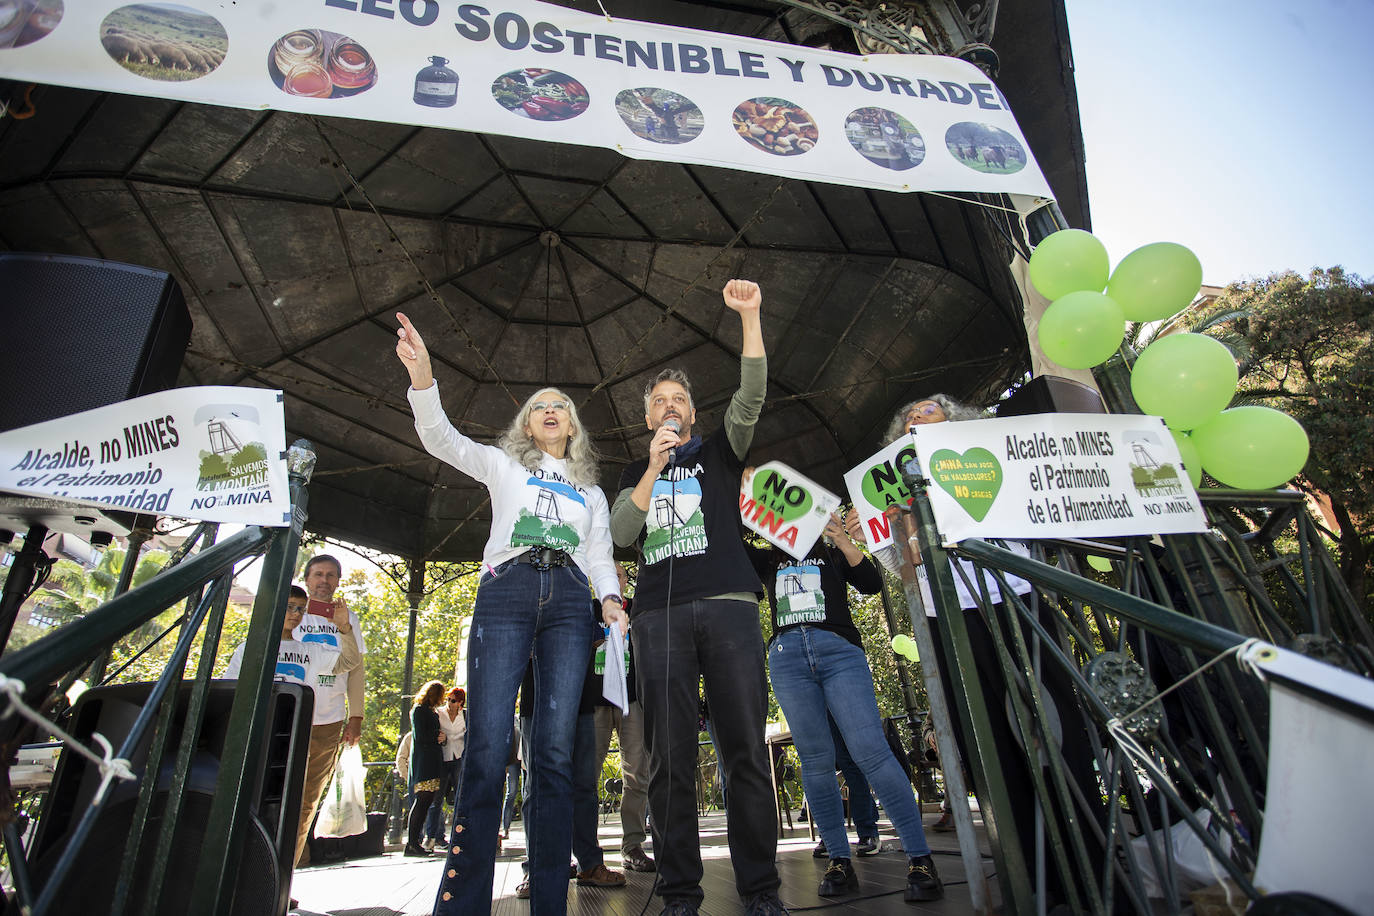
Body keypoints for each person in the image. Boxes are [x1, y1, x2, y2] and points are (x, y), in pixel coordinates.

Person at [394, 312, 626, 916]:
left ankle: (552, 899)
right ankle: (461, 904)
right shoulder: (504, 466)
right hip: (507, 591)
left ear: (573, 426)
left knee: (552, 752)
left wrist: (611, 601)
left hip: (573, 602)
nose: (550, 411)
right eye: (539, 406)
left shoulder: (593, 494)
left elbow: (601, 555)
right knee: (489, 744)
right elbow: (442, 439)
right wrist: (423, 378)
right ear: (527, 423)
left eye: (561, 406)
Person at [862, 394, 1104, 909]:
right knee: (987, 742)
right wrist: (901, 528)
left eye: (927, 410)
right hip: (947, 618)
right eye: (907, 416)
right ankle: (1028, 875)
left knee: (1054, 731)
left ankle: (1091, 868)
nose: (913, 417)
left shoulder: (993, 459)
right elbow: (900, 570)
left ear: (960, 421)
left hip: (1014, 600)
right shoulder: (897, 492)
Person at [610, 279, 781, 916]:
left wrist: (751, 317)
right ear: (649, 417)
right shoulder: (634, 473)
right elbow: (624, 534)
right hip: (659, 617)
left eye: (680, 398)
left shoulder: (719, 450)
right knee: (669, 759)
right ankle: (679, 892)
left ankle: (760, 889)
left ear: (692, 411)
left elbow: (753, 393)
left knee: (744, 749)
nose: (671, 406)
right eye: (661, 401)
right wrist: (653, 469)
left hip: (731, 607)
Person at [747, 507, 943, 902]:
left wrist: (840, 537)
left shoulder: (832, 549)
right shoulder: (768, 554)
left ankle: (920, 859)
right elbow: (728, 537)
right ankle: (838, 859)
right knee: (815, 759)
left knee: (871, 751)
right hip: (788, 657)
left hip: (839, 652)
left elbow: (871, 582)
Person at [290, 555, 368, 869]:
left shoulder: (348, 619)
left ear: (338, 581)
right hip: (286, 712)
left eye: (331, 575)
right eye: (318, 574)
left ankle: (285, 875)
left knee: (307, 801)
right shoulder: (292, 612)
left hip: (327, 717)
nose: (324, 580)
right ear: (306, 578)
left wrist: (356, 716)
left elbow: (356, 670)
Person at [592, 565, 654, 872]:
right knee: (586, 774)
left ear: (626, 581)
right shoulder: (587, 608)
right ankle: (587, 849)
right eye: (608, 573)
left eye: (620, 575)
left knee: (637, 773)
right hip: (595, 702)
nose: (615, 579)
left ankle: (632, 846)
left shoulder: (638, 608)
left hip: (632, 700)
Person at [425, 686, 467, 850]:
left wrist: (451, 737)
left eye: (453, 700)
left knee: (460, 796)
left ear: (460, 703)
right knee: (437, 798)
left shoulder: (464, 715)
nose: (450, 703)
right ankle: (433, 836)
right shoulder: (439, 713)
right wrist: (450, 737)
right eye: (448, 699)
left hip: (458, 757)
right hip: (442, 758)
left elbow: (468, 733)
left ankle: (459, 835)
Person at [407, 680, 446, 856]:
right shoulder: (419, 711)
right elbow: (421, 735)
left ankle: (414, 841)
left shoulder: (429, 711)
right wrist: (437, 736)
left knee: (426, 802)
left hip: (431, 762)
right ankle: (412, 842)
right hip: (424, 764)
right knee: (422, 803)